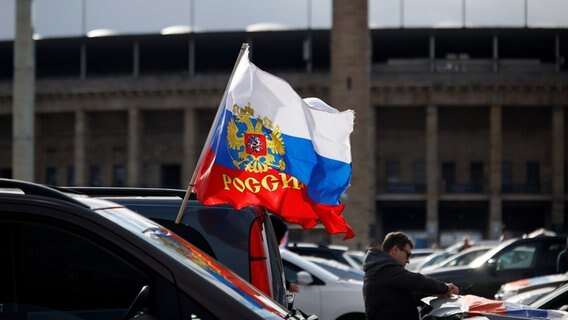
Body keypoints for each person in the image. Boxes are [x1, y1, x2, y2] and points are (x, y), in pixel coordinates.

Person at [363, 231, 459, 320]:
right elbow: (417, 281)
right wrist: (445, 288)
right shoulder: (384, 269)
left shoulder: (380, 268)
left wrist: (436, 292)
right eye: (407, 254)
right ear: (395, 250)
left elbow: (408, 294)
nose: (408, 260)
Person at [269, 214, 300, 293]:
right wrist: (288, 285)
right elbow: (271, 273)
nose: (279, 243)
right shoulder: (266, 252)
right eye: (279, 238)